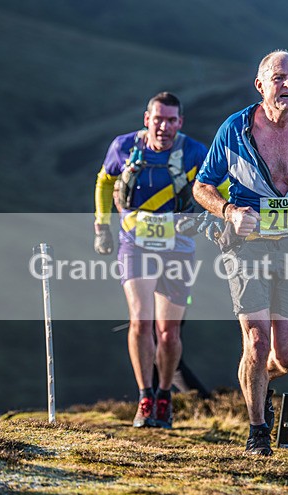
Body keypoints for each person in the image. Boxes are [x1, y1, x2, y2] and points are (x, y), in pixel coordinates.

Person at [193, 50, 288, 455]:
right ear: (260, 85)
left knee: (286, 357)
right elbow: (201, 186)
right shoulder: (235, 129)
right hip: (247, 247)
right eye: (279, 78)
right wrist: (229, 211)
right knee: (257, 340)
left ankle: (256, 382)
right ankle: (258, 432)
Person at [93, 92, 208, 429]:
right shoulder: (123, 147)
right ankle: (145, 397)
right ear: (147, 119)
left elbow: (222, 188)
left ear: (180, 122)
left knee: (168, 333)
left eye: (171, 120)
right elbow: (104, 181)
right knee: (140, 321)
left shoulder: (195, 152)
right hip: (135, 244)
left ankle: (164, 396)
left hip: (178, 248)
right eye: (158, 119)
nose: (164, 126)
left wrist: (210, 219)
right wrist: (102, 226)